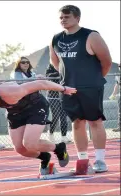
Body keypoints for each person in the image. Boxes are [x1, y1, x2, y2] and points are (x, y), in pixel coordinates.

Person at [0, 80, 77, 175]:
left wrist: (63, 89)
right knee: (20, 149)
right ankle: (44, 156)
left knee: (30, 143)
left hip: (35, 106)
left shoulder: (10, 91)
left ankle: (59, 148)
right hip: (15, 112)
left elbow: (42, 84)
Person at [49, 5, 112, 173]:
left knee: (95, 121)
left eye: (67, 17)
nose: (63, 20)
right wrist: (66, 81)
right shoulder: (56, 39)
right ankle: (83, 159)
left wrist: (94, 79)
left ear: (77, 18)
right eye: (61, 17)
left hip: (91, 87)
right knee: (77, 123)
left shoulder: (91, 35)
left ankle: (100, 160)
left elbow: (106, 61)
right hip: (68, 88)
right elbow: (56, 63)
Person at [45, 64, 71, 143]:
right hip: (52, 97)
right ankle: (51, 134)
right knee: (55, 116)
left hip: (62, 96)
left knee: (63, 117)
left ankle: (64, 136)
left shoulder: (64, 65)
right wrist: (60, 73)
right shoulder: (50, 68)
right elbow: (49, 77)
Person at [109, 64, 120, 132]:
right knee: (120, 112)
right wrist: (113, 94)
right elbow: (117, 85)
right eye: (119, 66)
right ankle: (120, 127)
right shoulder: (118, 75)